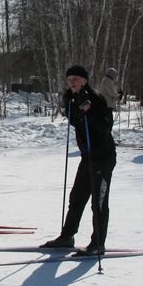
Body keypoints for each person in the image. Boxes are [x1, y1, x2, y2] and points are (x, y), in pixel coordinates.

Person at [41, 65, 116, 256]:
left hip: (103, 157)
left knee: (98, 203)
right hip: (88, 157)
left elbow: (105, 127)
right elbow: (76, 121)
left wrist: (88, 110)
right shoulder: (74, 97)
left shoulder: (97, 98)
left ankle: (98, 244)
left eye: (75, 78)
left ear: (85, 80)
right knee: (76, 198)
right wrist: (69, 105)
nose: (71, 82)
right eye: (69, 79)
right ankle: (67, 236)